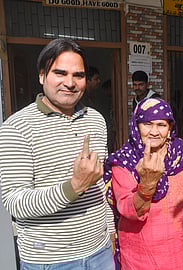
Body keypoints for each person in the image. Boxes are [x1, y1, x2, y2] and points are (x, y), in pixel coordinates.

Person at [0, 38, 114, 269]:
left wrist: (110, 231)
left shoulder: (95, 120)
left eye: (78, 75)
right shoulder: (17, 128)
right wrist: (73, 187)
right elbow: (14, 202)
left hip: (100, 252)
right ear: (42, 76)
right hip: (50, 260)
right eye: (60, 73)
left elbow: (100, 186)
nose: (70, 83)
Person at [103, 98, 183, 269]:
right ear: (136, 126)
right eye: (147, 124)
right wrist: (147, 184)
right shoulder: (124, 161)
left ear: (170, 128)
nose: (154, 131)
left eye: (161, 125)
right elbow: (127, 210)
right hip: (141, 257)